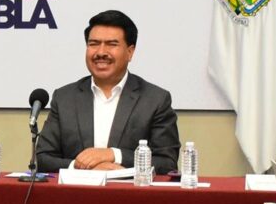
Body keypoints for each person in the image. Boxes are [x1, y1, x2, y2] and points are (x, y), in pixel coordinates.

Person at [36, 10, 180, 173]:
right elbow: (43, 158)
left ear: (130, 52)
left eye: (112, 44)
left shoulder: (155, 100)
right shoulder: (64, 98)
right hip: (76, 189)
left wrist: (114, 155)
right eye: (94, 44)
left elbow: (166, 162)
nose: (101, 52)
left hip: (128, 189)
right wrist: (82, 167)